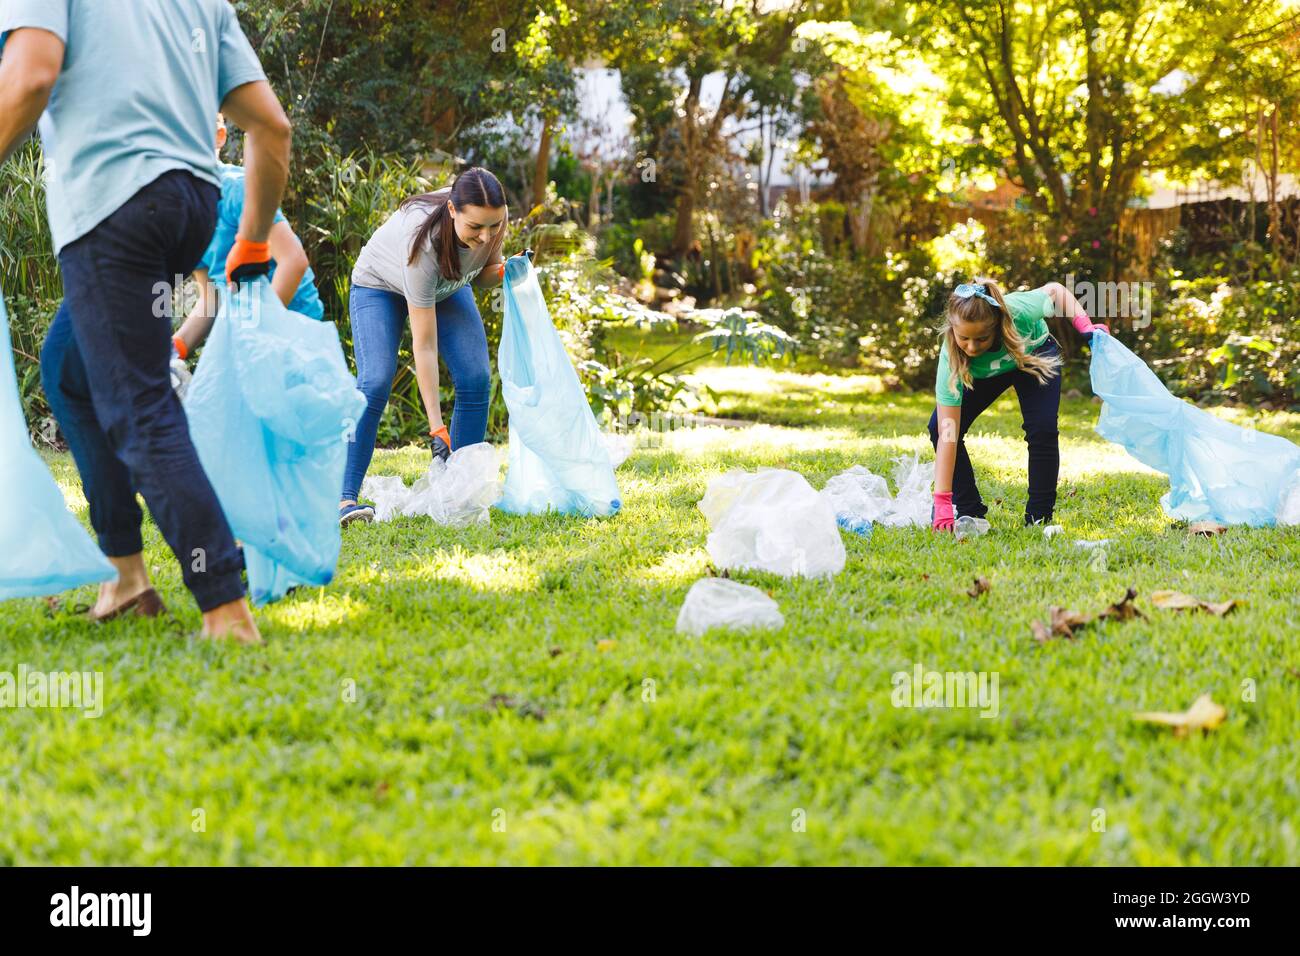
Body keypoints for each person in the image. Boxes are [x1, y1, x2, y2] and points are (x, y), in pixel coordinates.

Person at [0, 0, 292, 643]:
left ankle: (224, 607)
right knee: (69, 369)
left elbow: (30, 76)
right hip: (188, 202)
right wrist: (252, 240)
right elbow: (271, 126)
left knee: (139, 403)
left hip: (114, 200)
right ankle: (125, 575)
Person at [339, 167, 508, 525]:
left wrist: (509, 272)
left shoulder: (492, 218)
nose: (486, 235)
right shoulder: (424, 241)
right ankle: (345, 499)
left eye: (492, 227)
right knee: (375, 381)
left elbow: (484, 275)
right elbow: (425, 346)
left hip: (445, 285)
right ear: (452, 211)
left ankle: (459, 493)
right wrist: (436, 427)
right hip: (379, 288)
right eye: (475, 227)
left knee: (476, 378)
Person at [927, 278, 1108, 532]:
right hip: (985, 373)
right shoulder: (954, 357)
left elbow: (1056, 291)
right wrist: (943, 501)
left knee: (1042, 429)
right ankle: (969, 511)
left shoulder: (1019, 310)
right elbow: (948, 432)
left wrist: (1086, 327)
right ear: (953, 330)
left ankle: (1038, 518)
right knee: (938, 427)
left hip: (1032, 356)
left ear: (997, 325)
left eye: (981, 338)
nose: (971, 346)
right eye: (964, 338)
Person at [172, 113, 324, 372]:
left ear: (219, 137)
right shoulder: (188, 218)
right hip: (250, 335)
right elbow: (211, 300)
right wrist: (176, 350)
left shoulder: (238, 191)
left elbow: (293, 262)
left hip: (294, 325)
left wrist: (261, 332)